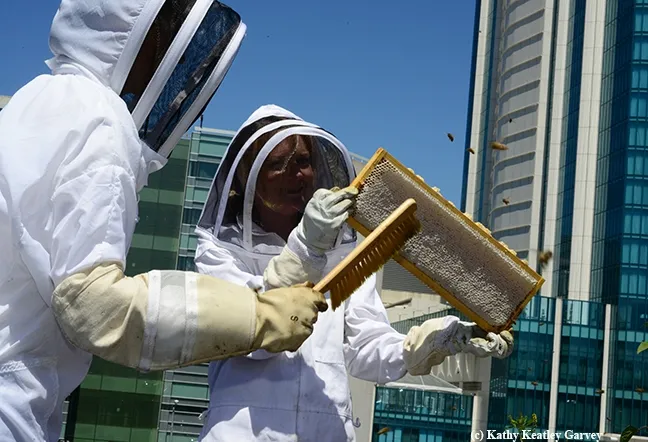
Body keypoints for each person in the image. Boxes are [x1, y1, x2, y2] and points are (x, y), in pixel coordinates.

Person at [0, 3, 327, 441]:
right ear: (143, 37)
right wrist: (260, 316)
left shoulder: (37, 102)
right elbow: (94, 305)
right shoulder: (98, 117)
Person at [193, 104, 516, 441]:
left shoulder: (343, 251)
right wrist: (306, 246)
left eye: (303, 161)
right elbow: (250, 332)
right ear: (247, 175)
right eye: (277, 165)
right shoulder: (217, 252)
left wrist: (439, 340)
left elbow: (367, 348)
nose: (296, 175)